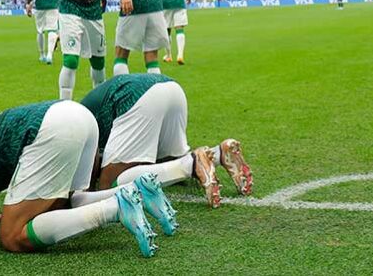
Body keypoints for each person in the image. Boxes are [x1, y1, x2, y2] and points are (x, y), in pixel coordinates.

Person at [0, 100, 176, 258]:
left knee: (12, 237)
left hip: (52, 128)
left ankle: (116, 208)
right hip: (75, 116)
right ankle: (135, 189)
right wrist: (17, 206)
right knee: (67, 203)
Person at [80, 73, 253, 208]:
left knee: (109, 186)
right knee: (168, 162)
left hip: (136, 97)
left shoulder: (72, 129)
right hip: (170, 88)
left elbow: (90, 159)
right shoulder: (73, 112)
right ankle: (218, 154)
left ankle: (192, 164)